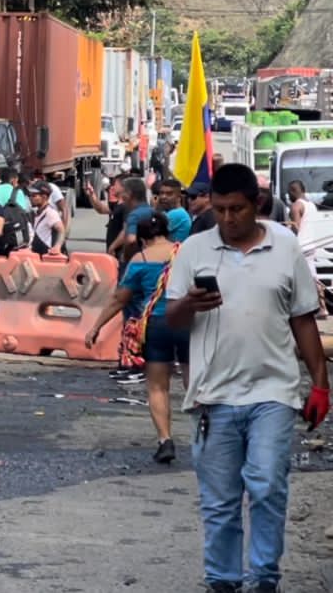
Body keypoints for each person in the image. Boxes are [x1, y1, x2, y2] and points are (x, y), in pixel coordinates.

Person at [163, 163, 329, 593]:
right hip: (213, 396)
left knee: (267, 485)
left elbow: (304, 320)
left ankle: (264, 579)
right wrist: (190, 305)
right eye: (218, 210)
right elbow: (172, 320)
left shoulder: (285, 245)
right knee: (220, 502)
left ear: (255, 205)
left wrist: (320, 383)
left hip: (273, 391)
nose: (227, 219)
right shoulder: (195, 250)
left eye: (235, 209)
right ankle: (222, 581)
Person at [86, 210, 184, 463]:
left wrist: (95, 327)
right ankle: (208, 430)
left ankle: (165, 440)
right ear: (168, 233)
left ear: (141, 239)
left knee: (157, 387)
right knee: (195, 383)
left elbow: (119, 300)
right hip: (187, 322)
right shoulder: (185, 253)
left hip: (157, 324)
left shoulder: (139, 260)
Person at [110, 178, 154, 266]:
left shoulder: (134, 215)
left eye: (123, 193)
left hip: (135, 262)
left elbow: (131, 240)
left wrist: (125, 256)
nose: (121, 196)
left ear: (129, 194)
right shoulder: (152, 211)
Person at [89, 179, 128, 251]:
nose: (112, 188)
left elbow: (126, 231)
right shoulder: (117, 205)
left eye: (115, 185)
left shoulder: (127, 207)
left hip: (121, 253)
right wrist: (92, 194)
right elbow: (101, 209)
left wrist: (113, 247)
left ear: (123, 188)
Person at [27, 181, 66, 255]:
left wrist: (57, 246)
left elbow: (61, 230)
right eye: (30, 195)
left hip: (47, 256)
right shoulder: (38, 212)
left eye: (34, 196)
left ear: (44, 197)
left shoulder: (50, 213)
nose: (30, 198)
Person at [157, 177, 194, 242]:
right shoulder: (168, 212)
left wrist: (154, 208)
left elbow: (150, 233)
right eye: (161, 193)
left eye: (169, 194)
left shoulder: (177, 214)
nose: (163, 197)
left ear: (178, 197)